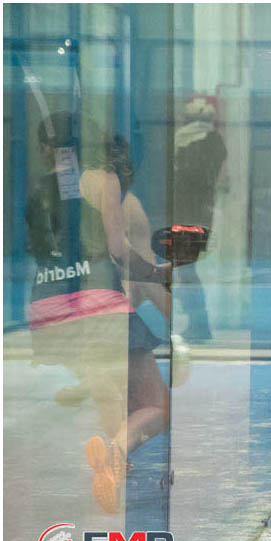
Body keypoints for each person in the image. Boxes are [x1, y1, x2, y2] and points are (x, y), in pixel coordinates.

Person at [26, 112, 172, 513]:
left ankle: (114, 467)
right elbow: (117, 250)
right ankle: (115, 453)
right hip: (99, 307)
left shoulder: (38, 190)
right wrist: (155, 274)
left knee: (106, 388)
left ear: (44, 149)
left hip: (50, 309)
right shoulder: (103, 182)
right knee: (156, 405)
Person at [172, 96, 227, 342]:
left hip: (191, 214)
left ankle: (199, 324)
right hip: (188, 212)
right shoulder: (199, 142)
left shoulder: (203, 144)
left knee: (186, 270)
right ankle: (198, 323)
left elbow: (191, 177)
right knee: (185, 270)